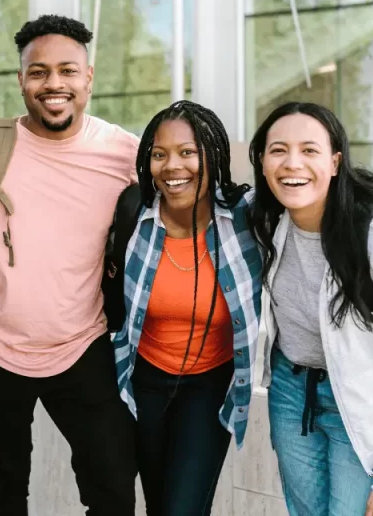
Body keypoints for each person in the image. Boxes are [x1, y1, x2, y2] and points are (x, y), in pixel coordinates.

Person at [0, 14, 140, 515]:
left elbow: (197, 187)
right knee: (5, 489)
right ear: (21, 81)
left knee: (112, 486)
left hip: (83, 345)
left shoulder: (125, 154)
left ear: (88, 77)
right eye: (39, 72)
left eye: (68, 71)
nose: (54, 84)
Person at [248, 102, 373, 516]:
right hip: (289, 393)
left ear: (335, 162)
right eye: (278, 150)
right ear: (262, 161)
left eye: (310, 150)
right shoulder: (268, 221)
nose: (292, 163)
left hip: (360, 403)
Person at [110, 101, 262, 515]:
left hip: (210, 385)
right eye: (159, 154)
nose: (172, 166)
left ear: (213, 155)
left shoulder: (246, 218)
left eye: (188, 152)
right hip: (144, 380)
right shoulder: (133, 213)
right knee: (159, 505)